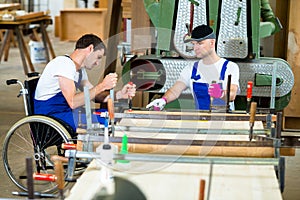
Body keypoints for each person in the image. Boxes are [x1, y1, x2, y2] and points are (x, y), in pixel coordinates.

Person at [34, 34, 136, 135]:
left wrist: (120, 94)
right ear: (90, 48)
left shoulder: (79, 71)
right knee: (105, 120)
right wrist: (103, 85)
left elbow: (95, 96)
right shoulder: (64, 64)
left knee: (107, 115)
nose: (98, 63)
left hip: (64, 113)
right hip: (52, 116)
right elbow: (73, 102)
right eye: (98, 57)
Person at [146, 24, 239, 111]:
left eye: (200, 43)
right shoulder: (191, 69)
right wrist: (163, 100)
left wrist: (221, 93)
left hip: (224, 122)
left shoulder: (229, 67)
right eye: (194, 44)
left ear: (212, 42)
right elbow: (176, 90)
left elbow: (232, 94)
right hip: (200, 121)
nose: (195, 48)